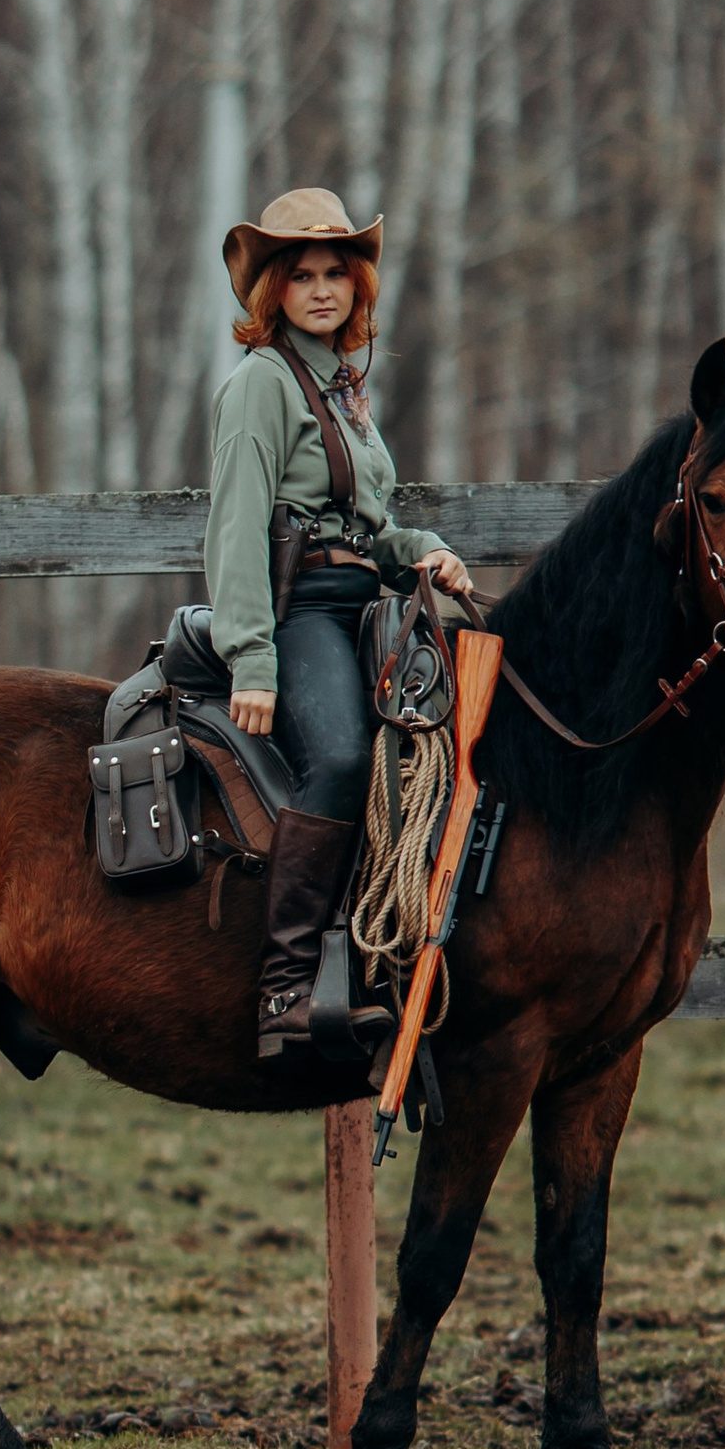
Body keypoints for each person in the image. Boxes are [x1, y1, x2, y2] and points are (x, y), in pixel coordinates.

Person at [209, 188, 472, 1059]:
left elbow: (367, 525)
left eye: (336, 273)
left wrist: (426, 550)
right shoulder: (261, 385)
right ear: (272, 290)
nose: (322, 289)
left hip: (369, 603)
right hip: (303, 613)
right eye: (301, 275)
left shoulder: (345, 388)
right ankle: (285, 987)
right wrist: (252, 660)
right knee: (346, 758)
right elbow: (237, 528)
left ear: (357, 287)